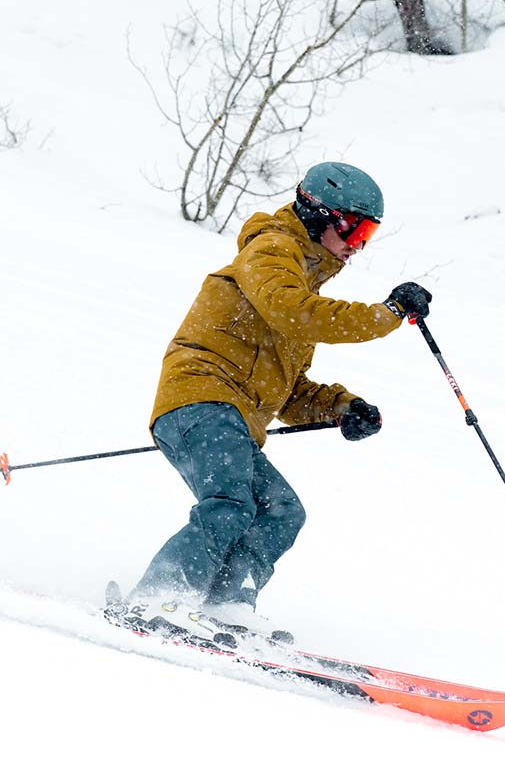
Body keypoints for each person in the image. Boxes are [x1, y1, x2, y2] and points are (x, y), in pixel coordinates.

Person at [127, 162, 432, 641]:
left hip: (231, 415)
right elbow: (295, 313)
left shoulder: (297, 284)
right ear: (318, 213)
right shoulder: (272, 250)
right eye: (355, 228)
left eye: (368, 234)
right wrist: (386, 314)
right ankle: (156, 597)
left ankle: (227, 603)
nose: (356, 245)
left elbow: (289, 392)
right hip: (201, 399)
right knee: (229, 503)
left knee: (281, 511)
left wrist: (340, 407)